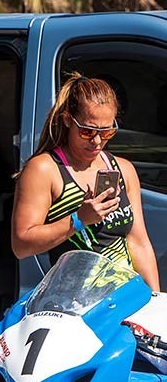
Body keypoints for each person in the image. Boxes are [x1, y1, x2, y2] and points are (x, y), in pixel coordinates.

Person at [11, 73, 159, 290]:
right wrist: (78, 220)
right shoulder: (45, 169)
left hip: (125, 297)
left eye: (107, 131)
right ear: (68, 119)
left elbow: (138, 242)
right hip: (75, 302)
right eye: (87, 131)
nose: (97, 141)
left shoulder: (122, 169)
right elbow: (21, 245)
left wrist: (155, 301)